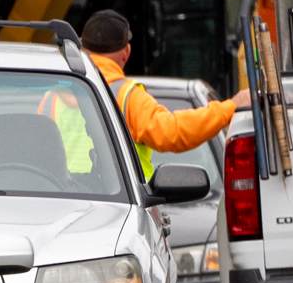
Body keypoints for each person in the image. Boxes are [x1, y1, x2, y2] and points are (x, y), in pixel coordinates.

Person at [77, 10, 249, 175]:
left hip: (59, 200)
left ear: (80, 43)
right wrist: (230, 107)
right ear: (126, 52)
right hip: (115, 203)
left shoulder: (53, 88)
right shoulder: (126, 97)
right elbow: (172, 132)